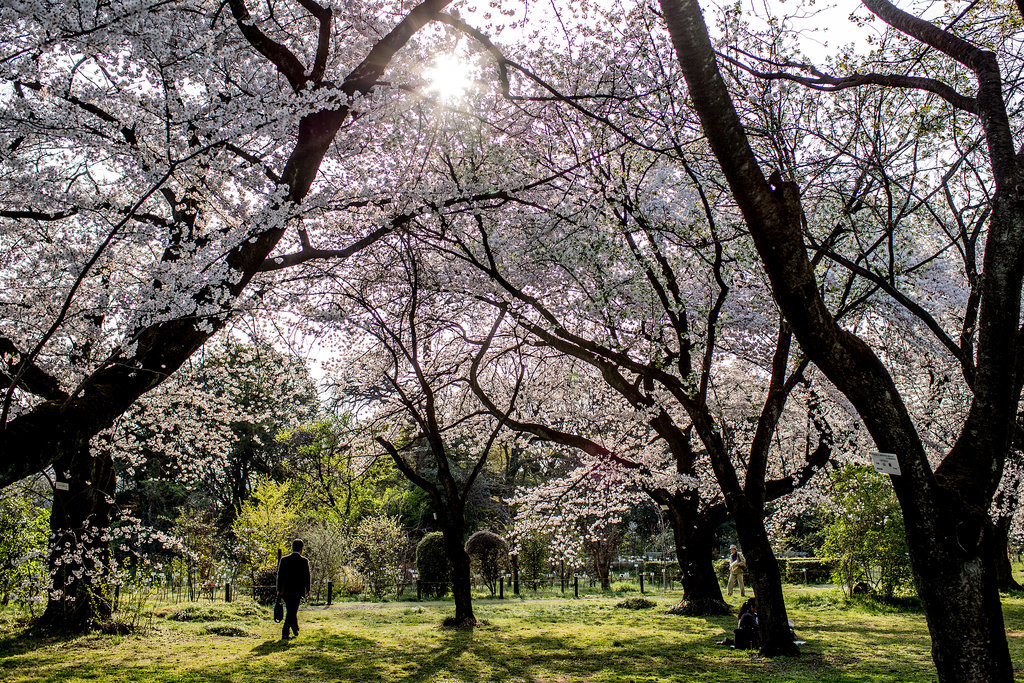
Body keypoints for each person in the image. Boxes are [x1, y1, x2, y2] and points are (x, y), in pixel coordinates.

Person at [276, 538, 311, 640]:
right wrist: (307, 589)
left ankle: (295, 629)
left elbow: (280, 575)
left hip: (285, 590)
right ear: (301, 549)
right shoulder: (304, 561)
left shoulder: (284, 560)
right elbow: (306, 576)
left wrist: (278, 589)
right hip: (297, 590)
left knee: (291, 610)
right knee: (292, 611)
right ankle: (285, 633)